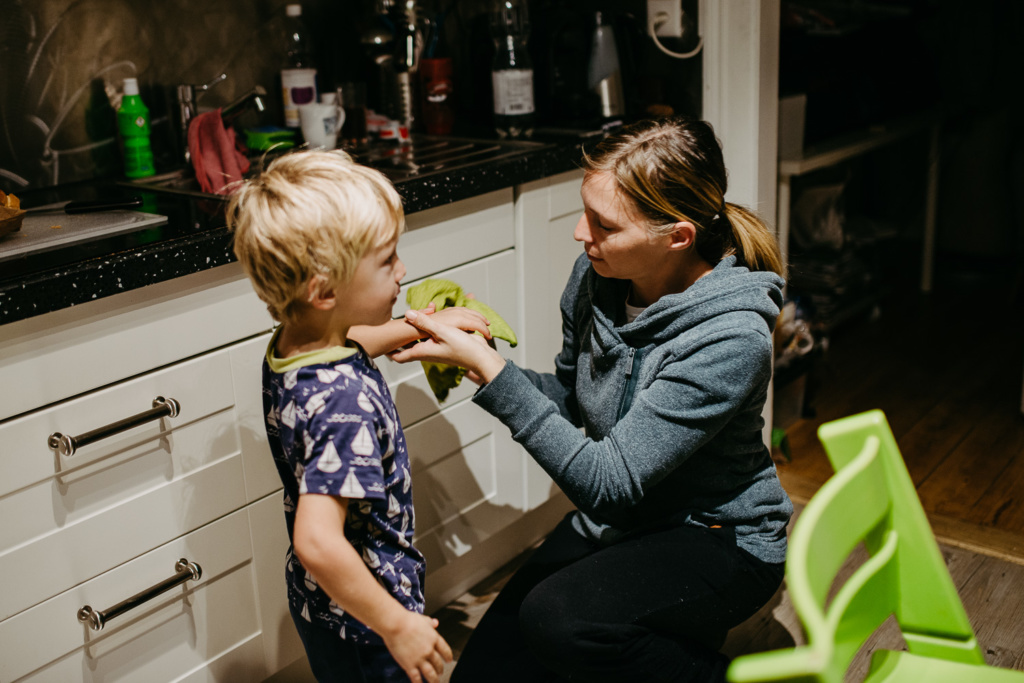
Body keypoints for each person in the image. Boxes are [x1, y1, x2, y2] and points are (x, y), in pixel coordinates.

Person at [388, 116, 794, 682]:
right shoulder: (595, 277)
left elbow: (608, 481)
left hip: (718, 538)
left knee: (560, 619)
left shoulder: (729, 338)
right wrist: (473, 358)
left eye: (603, 224)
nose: (581, 233)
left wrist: (495, 374)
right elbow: (571, 398)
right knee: (483, 673)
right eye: (586, 213)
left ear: (677, 236)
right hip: (624, 524)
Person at [227, 150, 491, 683]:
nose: (404, 270)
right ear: (324, 290)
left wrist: (420, 327)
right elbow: (318, 540)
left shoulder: (296, 342)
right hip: (367, 621)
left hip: (320, 602)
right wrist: (397, 624)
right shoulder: (343, 404)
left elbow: (354, 342)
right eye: (388, 259)